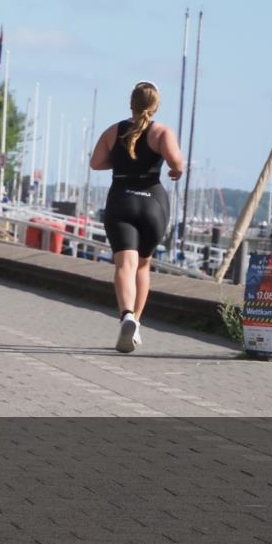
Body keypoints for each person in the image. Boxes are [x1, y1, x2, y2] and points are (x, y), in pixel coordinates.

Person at [90, 81, 183, 353]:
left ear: (131, 103)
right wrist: (175, 171)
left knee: (124, 265)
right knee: (143, 266)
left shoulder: (114, 131)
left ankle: (126, 316)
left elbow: (96, 163)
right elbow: (176, 161)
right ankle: (136, 324)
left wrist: (119, 163)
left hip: (121, 198)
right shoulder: (162, 132)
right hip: (152, 202)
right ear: (155, 106)